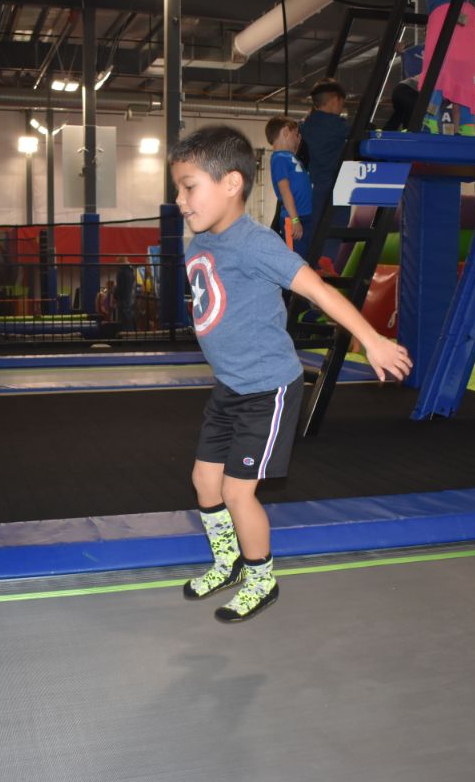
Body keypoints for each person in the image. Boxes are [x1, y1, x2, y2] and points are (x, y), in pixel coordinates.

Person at [169, 125, 412, 622]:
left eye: (189, 186)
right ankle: (228, 560)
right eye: (178, 188)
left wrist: (371, 339)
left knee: (238, 492)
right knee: (203, 481)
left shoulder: (257, 244)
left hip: (267, 389)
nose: (180, 200)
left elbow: (319, 291)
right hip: (231, 386)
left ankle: (262, 578)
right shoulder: (197, 245)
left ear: (231, 184)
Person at [298, 78, 350, 263]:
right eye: (342, 103)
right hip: (337, 185)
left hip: (316, 187)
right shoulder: (336, 125)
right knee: (334, 232)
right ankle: (327, 268)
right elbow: (363, 133)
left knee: (317, 231)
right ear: (335, 99)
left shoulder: (307, 124)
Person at [419, 0, 475, 136]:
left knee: (437, 69)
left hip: (444, 12)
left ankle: (430, 119)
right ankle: (466, 125)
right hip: (466, 14)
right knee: (463, 73)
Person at [264, 116, 314, 259]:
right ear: (285, 132)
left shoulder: (290, 157)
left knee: (305, 258)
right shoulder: (279, 159)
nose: (298, 139)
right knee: (295, 261)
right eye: (295, 134)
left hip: (305, 216)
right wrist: (294, 220)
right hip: (294, 218)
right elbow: (285, 191)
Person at [382, 42, 424, 132]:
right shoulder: (440, 77)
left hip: (399, 90)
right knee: (413, 113)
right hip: (408, 91)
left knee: (399, 114)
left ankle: (386, 133)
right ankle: (409, 135)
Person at [115, 257, 135, 329]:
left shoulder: (121, 272)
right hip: (129, 298)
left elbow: (120, 288)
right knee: (129, 318)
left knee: (123, 320)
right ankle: (130, 335)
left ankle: (123, 335)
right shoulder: (131, 271)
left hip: (122, 300)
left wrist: (115, 295)